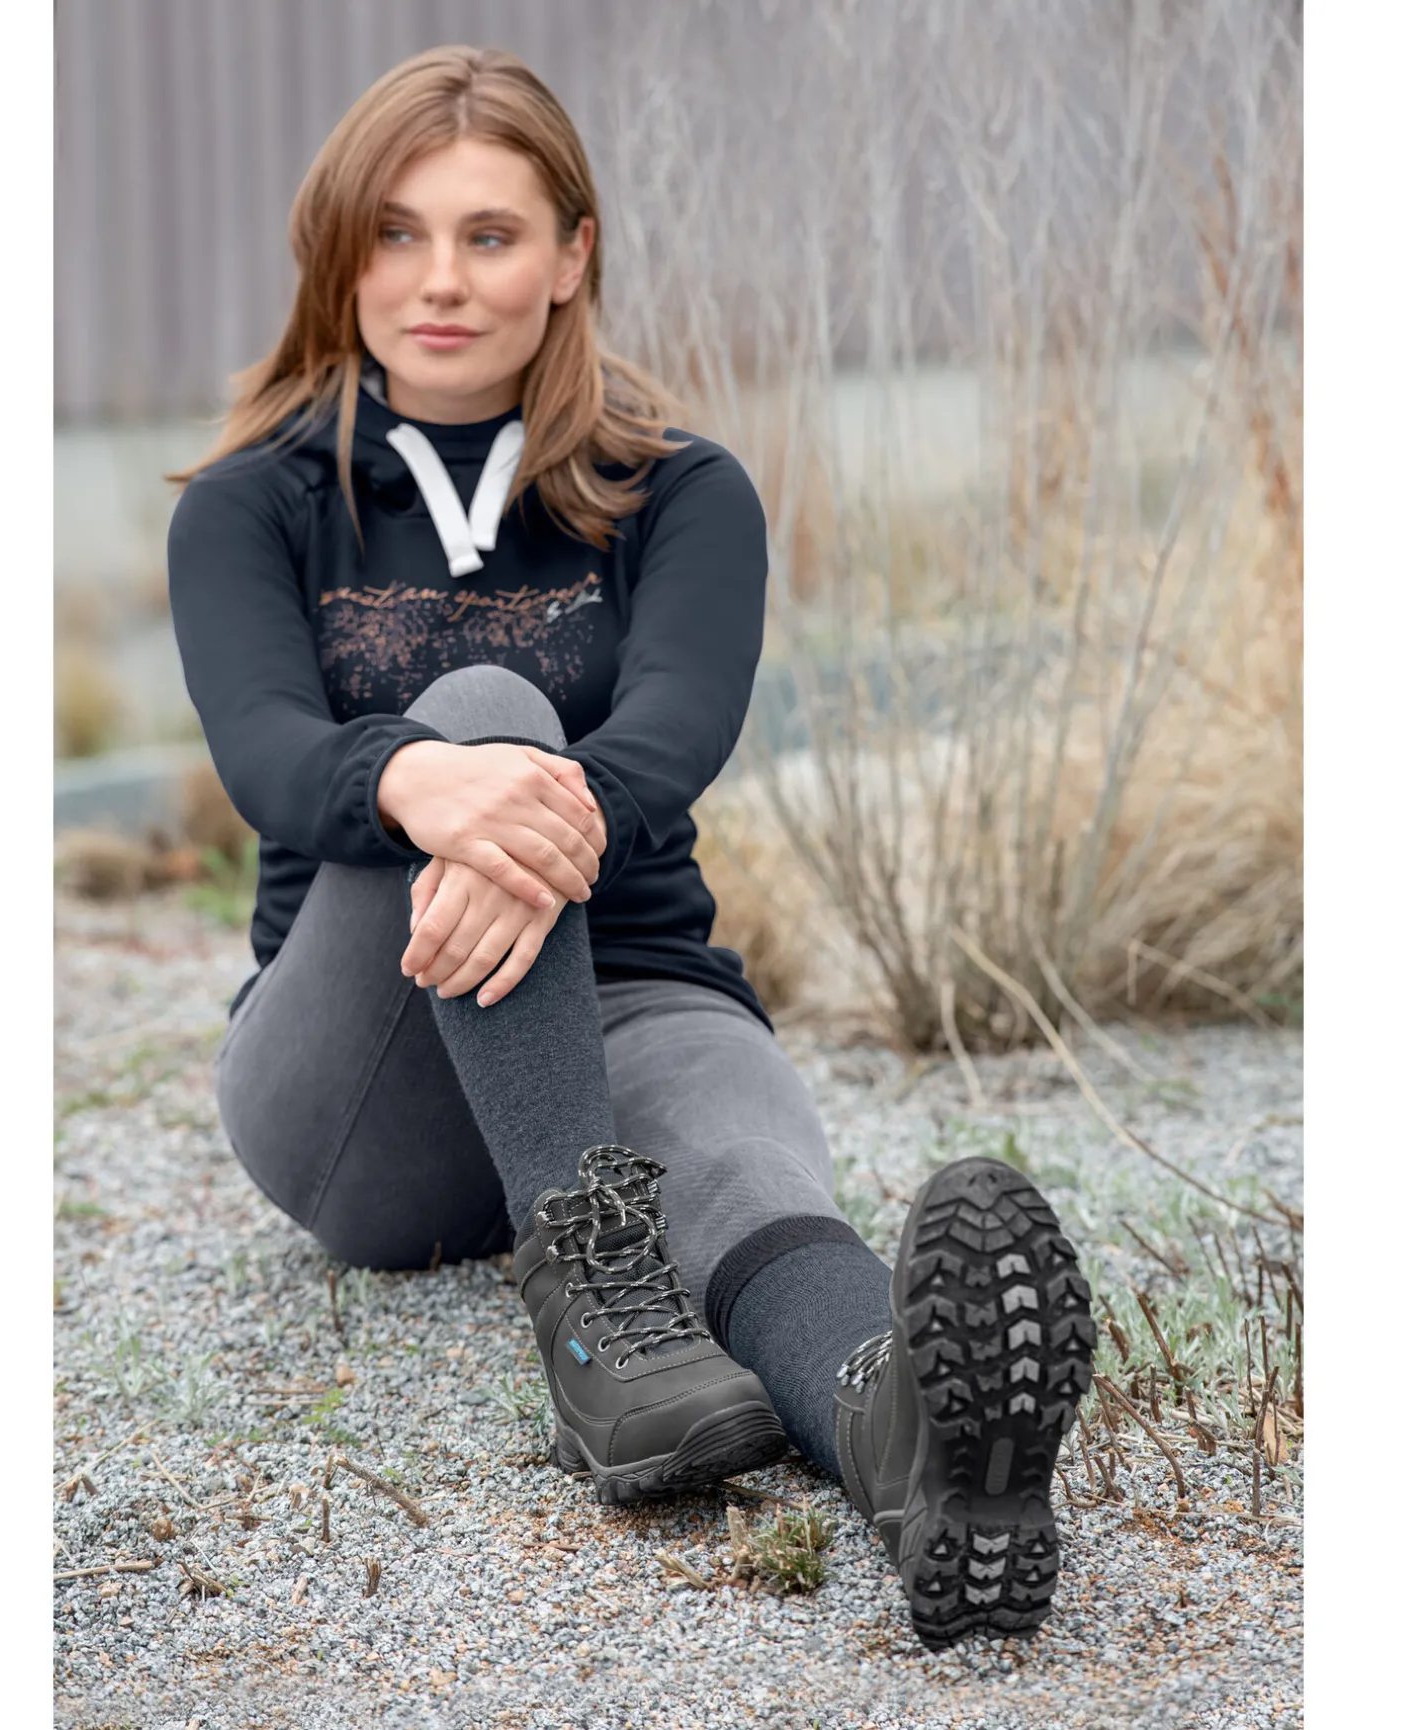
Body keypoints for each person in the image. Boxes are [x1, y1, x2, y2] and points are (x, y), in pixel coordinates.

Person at [164, 44, 1094, 1650]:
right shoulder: (252, 504)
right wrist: (433, 779)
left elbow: (676, 728)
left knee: (754, 1193)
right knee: (482, 706)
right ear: (338, 253)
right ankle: (598, 1310)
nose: (438, 279)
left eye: (489, 235)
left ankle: (917, 1453)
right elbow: (269, 758)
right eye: (396, 233)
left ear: (570, 254)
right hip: (363, 1064)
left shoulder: (680, 492)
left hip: (638, 990)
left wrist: (512, 811)